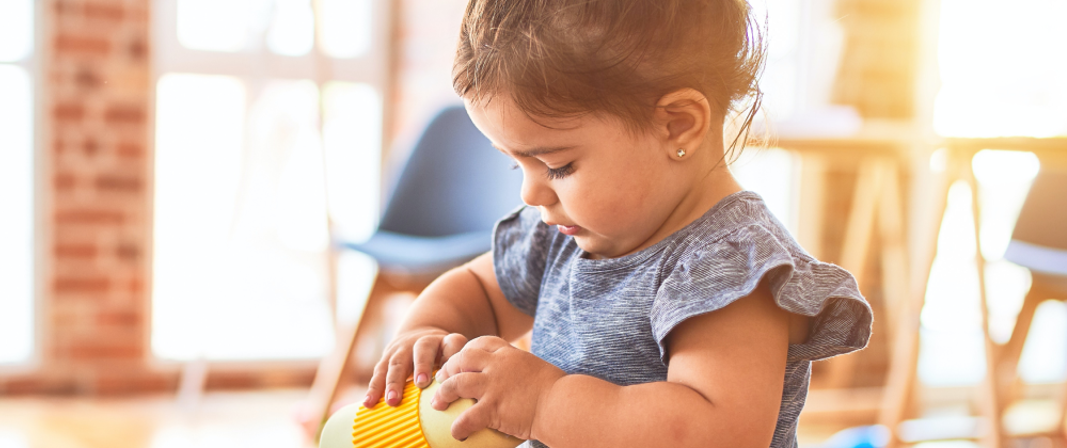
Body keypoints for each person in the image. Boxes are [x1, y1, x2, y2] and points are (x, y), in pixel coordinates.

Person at [360, 0, 874, 447]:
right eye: (516, 164)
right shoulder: (560, 232)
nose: (531, 192)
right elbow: (475, 289)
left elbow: (716, 434)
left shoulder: (727, 266)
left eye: (558, 165)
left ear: (678, 125)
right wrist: (426, 332)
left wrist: (545, 403)